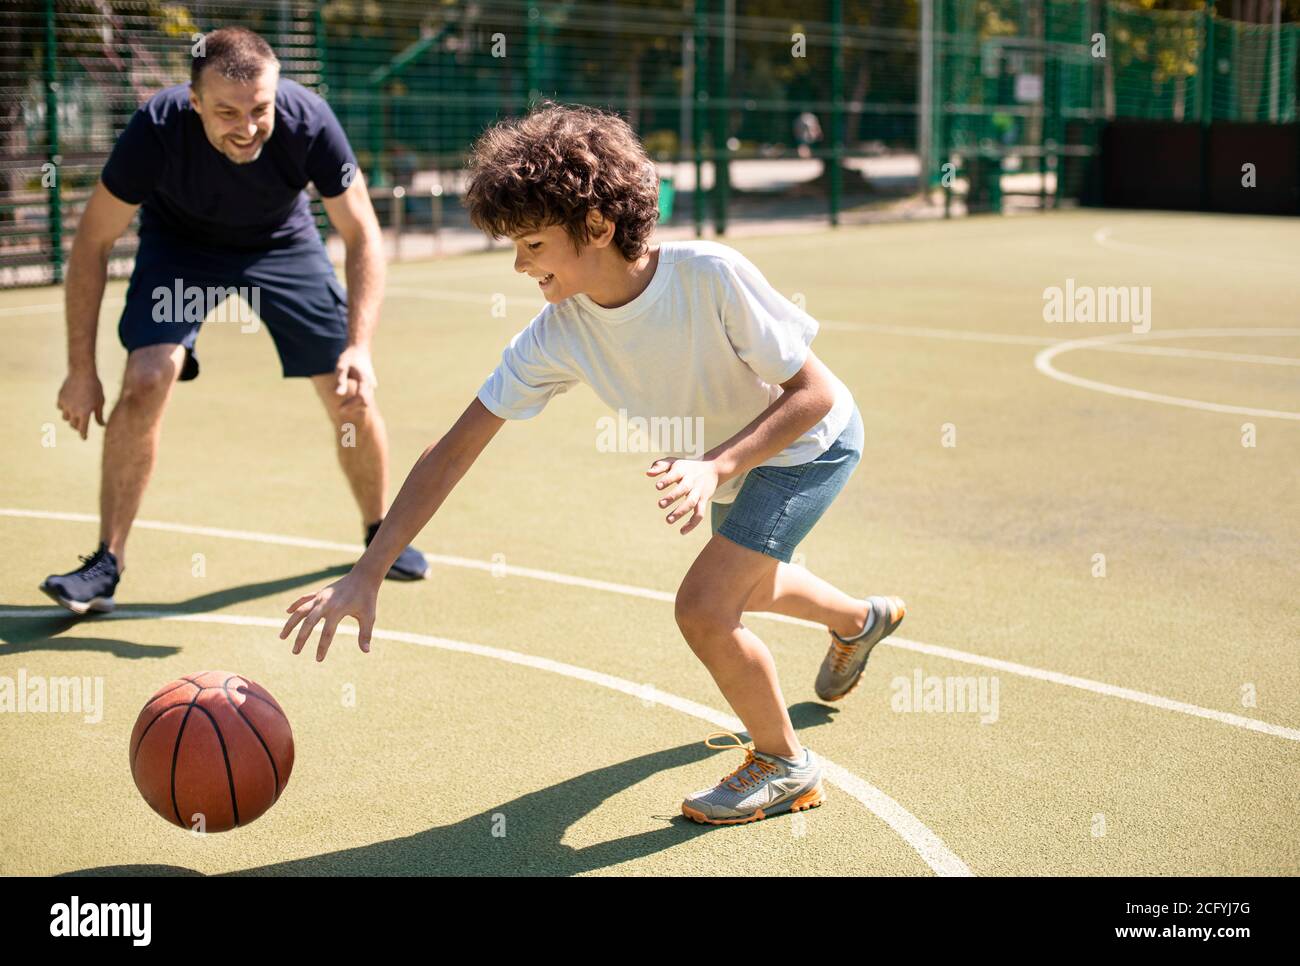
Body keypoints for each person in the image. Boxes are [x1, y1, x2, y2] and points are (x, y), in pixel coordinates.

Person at [280, 102, 905, 826]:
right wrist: (369, 569)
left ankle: (785, 763)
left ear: (598, 228)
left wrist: (714, 466)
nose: (520, 265)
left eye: (533, 244)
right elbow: (453, 450)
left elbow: (816, 393)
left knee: (705, 608)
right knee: (751, 586)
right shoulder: (558, 334)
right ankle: (861, 620)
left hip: (805, 445)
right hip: (731, 462)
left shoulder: (709, 275)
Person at [42, 26, 428, 615]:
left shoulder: (310, 120)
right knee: (146, 378)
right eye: (226, 111)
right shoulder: (156, 129)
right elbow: (91, 242)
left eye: (259, 110)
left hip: (282, 242)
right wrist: (79, 369)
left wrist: (360, 346)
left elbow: (362, 234)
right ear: (194, 101)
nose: (247, 128)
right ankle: (106, 562)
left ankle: (381, 532)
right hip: (182, 247)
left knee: (349, 390)